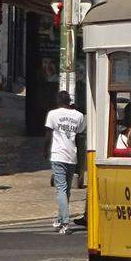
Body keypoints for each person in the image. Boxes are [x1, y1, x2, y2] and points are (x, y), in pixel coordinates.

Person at [44, 90, 86, 234]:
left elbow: (48, 135)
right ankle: (60, 219)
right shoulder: (79, 115)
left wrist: (45, 151)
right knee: (66, 190)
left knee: (61, 189)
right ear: (70, 101)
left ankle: (65, 222)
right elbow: (80, 132)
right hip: (72, 155)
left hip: (58, 155)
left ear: (58, 101)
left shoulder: (53, 114)